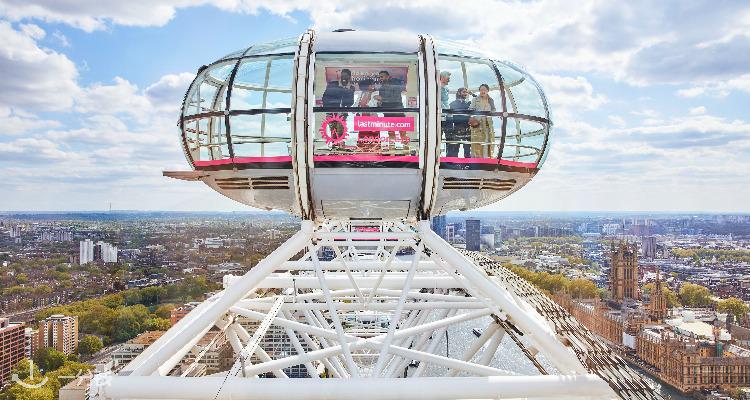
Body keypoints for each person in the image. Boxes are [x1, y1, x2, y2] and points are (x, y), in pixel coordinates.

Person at [375, 70, 406, 151]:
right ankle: (392, 150)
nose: (380, 78)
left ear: (388, 76)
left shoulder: (395, 84)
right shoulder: (381, 88)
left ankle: (406, 150)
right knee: (391, 133)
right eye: (379, 77)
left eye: (382, 76)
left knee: (402, 133)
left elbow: (396, 99)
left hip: (398, 112)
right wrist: (379, 103)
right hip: (388, 113)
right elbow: (382, 102)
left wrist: (382, 99)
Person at [469, 83, 496, 158]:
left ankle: (487, 158)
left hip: (488, 124)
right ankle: (477, 160)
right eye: (481, 90)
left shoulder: (491, 100)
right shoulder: (475, 99)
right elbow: (471, 110)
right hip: (478, 124)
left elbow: (493, 110)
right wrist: (473, 118)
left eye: (484, 90)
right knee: (478, 142)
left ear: (487, 91)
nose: (482, 91)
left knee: (488, 141)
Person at [355, 78, 379, 153]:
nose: (373, 86)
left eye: (372, 84)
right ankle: (362, 153)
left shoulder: (376, 93)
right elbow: (357, 104)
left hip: (372, 117)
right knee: (363, 136)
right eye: (371, 84)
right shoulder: (361, 93)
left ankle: (374, 152)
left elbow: (372, 105)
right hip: (363, 117)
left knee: (374, 136)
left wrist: (369, 94)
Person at [446, 88, 471, 158]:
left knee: (468, 151)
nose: (466, 94)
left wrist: (472, 94)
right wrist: (449, 131)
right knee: (453, 151)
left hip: (467, 129)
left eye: (466, 92)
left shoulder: (469, 104)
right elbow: (449, 118)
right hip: (456, 129)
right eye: (464, 92)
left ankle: (468, 166)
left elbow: (478, 99)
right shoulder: (452, 104)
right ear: (459, 93)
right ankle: (452, 165)